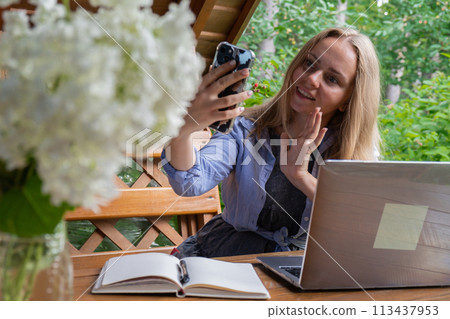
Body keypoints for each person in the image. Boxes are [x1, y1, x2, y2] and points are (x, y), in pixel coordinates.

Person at [161, 27, 381, 258]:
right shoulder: (246, 129)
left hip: (303, 268)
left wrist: (301, 178)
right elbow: (190, 183)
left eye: (332, 79)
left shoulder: (352, 151)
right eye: (309, 64)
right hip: (225, 257)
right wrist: (184, 127)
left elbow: (361, 224)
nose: (311, 79)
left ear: (347, 100)